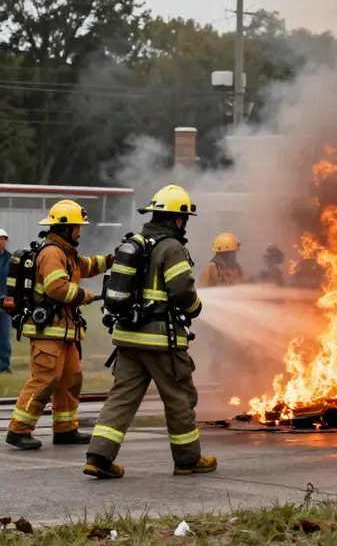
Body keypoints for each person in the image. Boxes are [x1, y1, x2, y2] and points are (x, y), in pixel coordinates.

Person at [84, 184, 215, 479]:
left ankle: (98, 456)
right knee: (179, 397)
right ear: (177, 219)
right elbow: (181, 289)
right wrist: (194, 308)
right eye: (185, 219)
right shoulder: (172, 247)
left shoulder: (138, 242)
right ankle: (187, 459)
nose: (185, 224)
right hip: (160, 341)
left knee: (121, 398)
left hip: (127, 338)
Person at [6, 202, 110, 450]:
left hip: (65, 332)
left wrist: (114, 258)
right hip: (47, 332)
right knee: (45, 380)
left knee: (70, 379)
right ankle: (18, 430)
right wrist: (84, 295)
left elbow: (89, 266)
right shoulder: (52, 253)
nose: (80, 232)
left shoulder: (67, 254)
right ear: (66, 228)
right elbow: (57, 288)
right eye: (77, 227)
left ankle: (65, 429)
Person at [0, 229, 11, 374]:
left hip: (5, 303)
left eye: (3, 239)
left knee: (4, 337)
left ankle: (4, 366)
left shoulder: (11, 259)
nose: (1, 242)